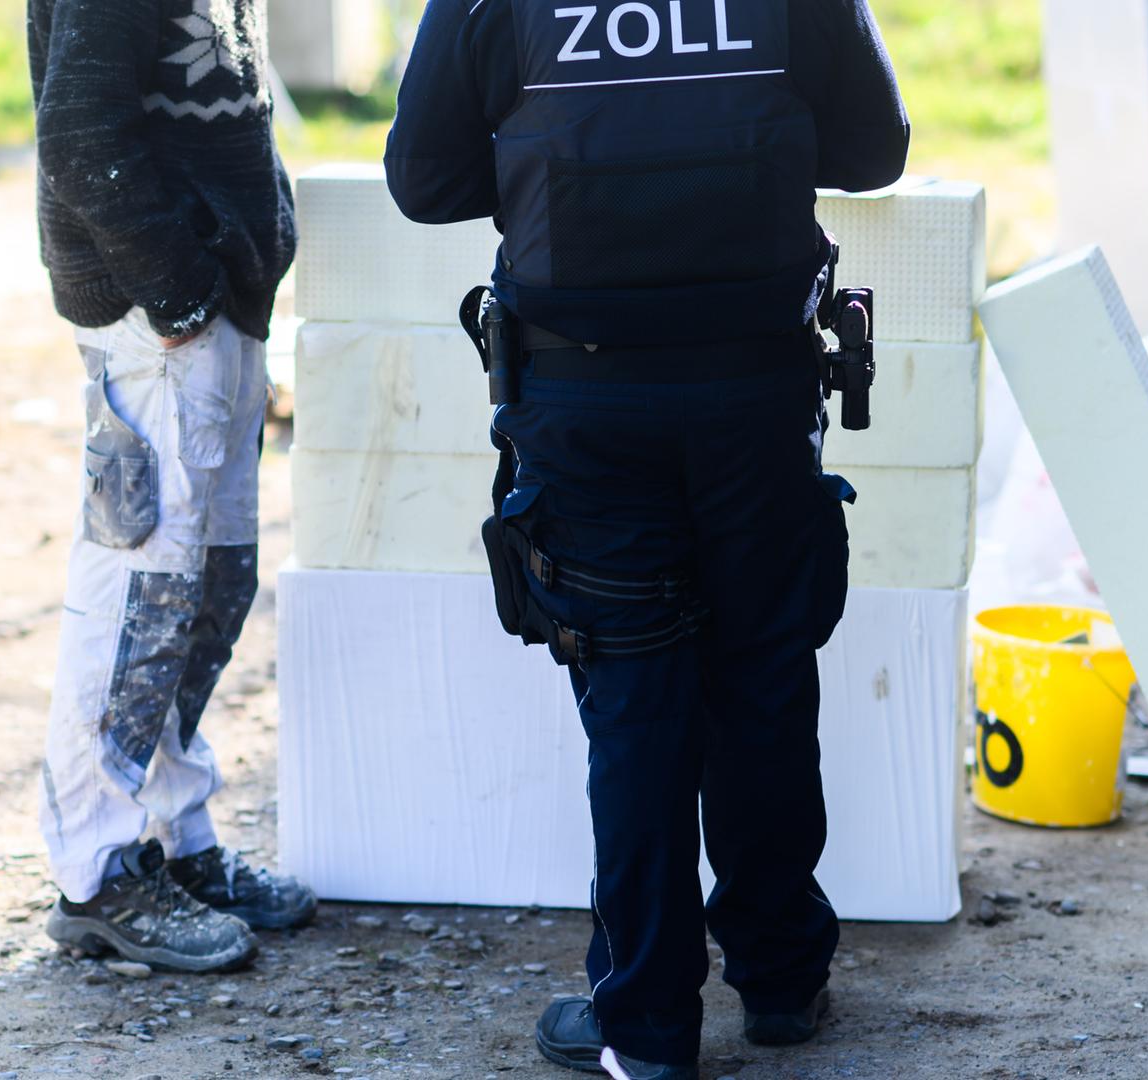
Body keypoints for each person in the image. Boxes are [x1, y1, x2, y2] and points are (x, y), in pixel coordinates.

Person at [386, 1, 909, 1076]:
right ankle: (781, 981)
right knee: (764, 677)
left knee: (635, 702)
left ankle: (648, 1028)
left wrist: (559, 167)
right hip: (754, 395)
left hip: (586, 398)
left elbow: (427, 181)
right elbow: (873, 151)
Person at [27, 0, 314, 973]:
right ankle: (97, 873)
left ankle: (173, 836)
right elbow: (79, 133)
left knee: (212, 586)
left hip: (216, 302)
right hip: (158, 318)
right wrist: (175, 283)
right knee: (140, 597)